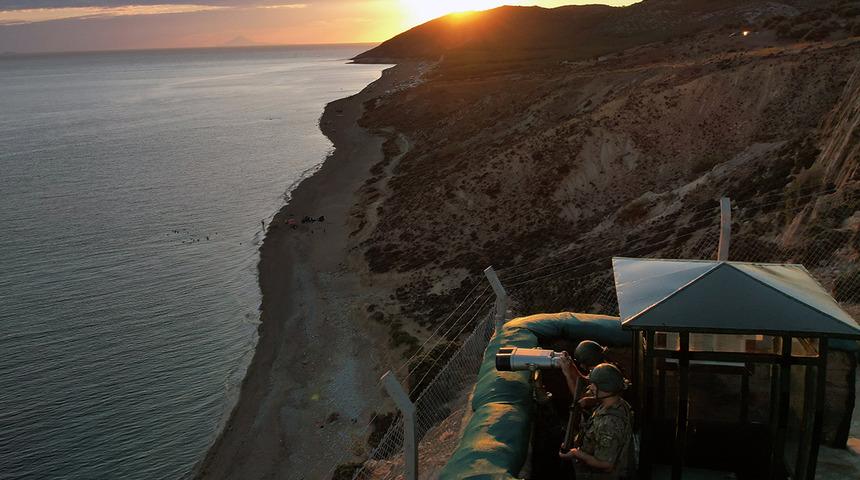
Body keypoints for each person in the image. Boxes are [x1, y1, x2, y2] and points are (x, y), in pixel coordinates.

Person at [559, 363, 633, 480]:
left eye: (594, 385)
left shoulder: (610, 423)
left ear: (606, 388)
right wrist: (589, 401)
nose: (591, 388)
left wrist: (575, 453)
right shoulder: (617, 403)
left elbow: (606, 465)